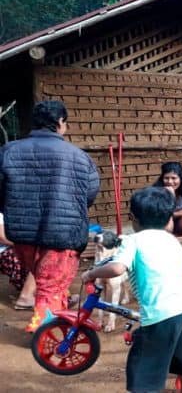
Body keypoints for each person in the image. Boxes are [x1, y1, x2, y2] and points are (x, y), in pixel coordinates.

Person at [81, 187, 182, 392]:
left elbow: (118, 268)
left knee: (144, 367)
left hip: (161, 315)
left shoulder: (132, 240)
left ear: (133, 219)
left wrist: (92, 274)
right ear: (170, 220)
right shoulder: (171, 240)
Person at [0, 100, 100, 333]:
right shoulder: (79, 157)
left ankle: (49, 317)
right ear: (61, 123)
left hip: (22, 234)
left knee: (45, 281)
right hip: (63, 235)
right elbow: (90, 193)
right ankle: (43, 331)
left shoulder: (8, 152)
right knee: (50, 285)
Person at [153, 162, 182, 239]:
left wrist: (172, 214)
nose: (170, 182)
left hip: (179, 223)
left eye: (174, 178)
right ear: (162, 178)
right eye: (166, 178)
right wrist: (170, 195)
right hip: (162, 225)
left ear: (180, 178)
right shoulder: (157, 189)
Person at [0, 212, 36, 309]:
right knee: (35, 259)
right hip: (4, 250)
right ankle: (28, 296)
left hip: (11, 246)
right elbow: (2, 238)